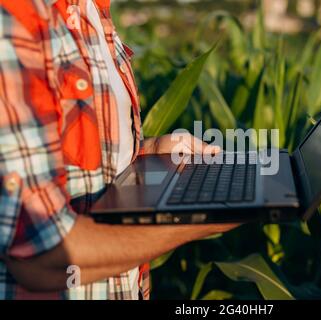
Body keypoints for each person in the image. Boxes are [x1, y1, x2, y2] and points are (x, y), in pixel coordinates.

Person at [0, 0, 237, 300]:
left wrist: (150, 153)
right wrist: (200, 216)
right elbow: (38, 258)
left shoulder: (92, 11)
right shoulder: (15, 16)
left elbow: (83, 157)